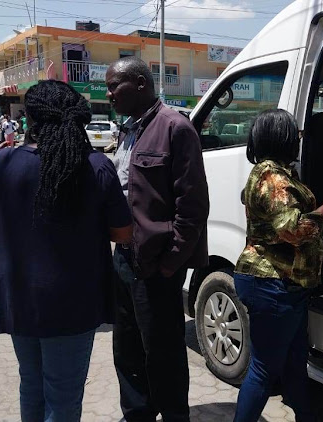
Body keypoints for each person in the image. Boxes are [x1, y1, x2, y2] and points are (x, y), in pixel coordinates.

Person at [0, 80, 133, 421]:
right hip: (73, 306)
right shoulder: (95, 165)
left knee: (32, 387)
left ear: (30, 120)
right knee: (63, 400)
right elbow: (122, 233)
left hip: (19, 300)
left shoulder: (1, 164)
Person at [105, 56, 209, 422]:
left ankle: (174, 415)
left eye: (114, 85)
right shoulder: (128, 130)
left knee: (162, 351)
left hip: (156, 264)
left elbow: (193, 207)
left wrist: (170, 263)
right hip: (124, 257)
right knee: (127, 346)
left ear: (140, 84)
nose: (109, 93)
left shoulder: (175, 128)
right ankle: (137, 414)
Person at [233, 109, 323, 422]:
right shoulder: (274, 179)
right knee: (263, 369)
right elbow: (290, 230)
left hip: (287, 284)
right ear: (282, 137)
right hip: (272, 282)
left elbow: (275, 225)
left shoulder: (273, 172)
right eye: (294, 133)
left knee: (295, 360)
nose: (299, 139)